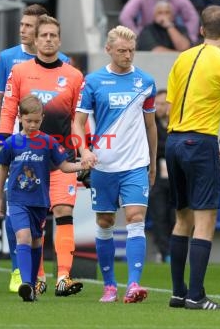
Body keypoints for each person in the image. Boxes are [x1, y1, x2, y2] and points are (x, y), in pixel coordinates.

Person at [166, 5, 220, 310]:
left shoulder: (182, 58)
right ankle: (196, 296)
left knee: (182, 218)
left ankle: (178, 292)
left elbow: (172, 103)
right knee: (205, 219)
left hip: (173, 141)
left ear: (201, 30)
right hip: (199, 143)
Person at [0, 14, 85, 297]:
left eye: (53, 36)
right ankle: (38, 277)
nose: (48, 40)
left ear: (59, 40)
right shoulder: (20, 71)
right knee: (37, 221)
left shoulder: (74, 75)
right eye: (43, 35)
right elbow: (9, 109)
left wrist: (83, 151)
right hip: (28, 161)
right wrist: (0, 142)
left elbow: (77, 119)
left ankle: (64, 277)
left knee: (63, 211)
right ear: (34, 40)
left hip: (60, 159)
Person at [74, 25, 157, 303]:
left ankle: (134, 285)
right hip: (103, 165)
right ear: (108, 50)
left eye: (131, 50)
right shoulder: (94, 81)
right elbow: (78, 122)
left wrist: (153, 163)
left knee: (135, 219)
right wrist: (84, 149)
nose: (128, 55)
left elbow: (150, 125)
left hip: (135, 164)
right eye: (122, 50)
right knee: (106, 221)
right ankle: (109, 285)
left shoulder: (145, 82)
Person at [0, 95, 91, 302]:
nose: (32, 125)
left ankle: (32, 286)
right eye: (28, 121)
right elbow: (2, 168)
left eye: (37, 121)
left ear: (42, 119)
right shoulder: (12, 142)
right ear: (20, 118)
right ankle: (27, 284)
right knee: (24, 237)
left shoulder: (48, 142)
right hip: (17, 199)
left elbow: (63, 166)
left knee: (37, 240)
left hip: (39, 200)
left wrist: (81, 165)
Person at [147, 89, 174, 263]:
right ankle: (165, 253)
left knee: (175, 216)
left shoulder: (178, 124)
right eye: (156, 104)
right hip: (156, 178)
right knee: (159, 215)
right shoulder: (151, 125)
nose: (159, 107)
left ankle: (175, 250)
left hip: (176, 178)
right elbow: (152, 149)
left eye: (163, 104)